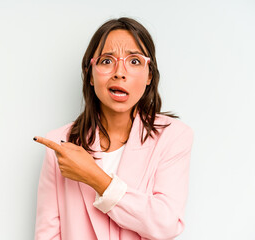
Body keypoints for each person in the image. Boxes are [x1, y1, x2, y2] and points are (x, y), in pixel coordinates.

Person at [33, 17, 194, 240]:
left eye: (134, 61)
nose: (120, 72)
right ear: (90, 74)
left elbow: (166, 224)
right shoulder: (59, 142)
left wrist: (95, 177)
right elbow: (48, 235)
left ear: (149, 75)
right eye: (107, 61)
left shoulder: (174, 136)